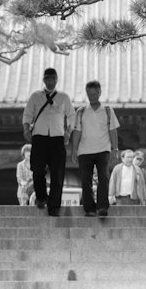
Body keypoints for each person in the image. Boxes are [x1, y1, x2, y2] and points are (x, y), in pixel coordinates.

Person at [22, 67, 73, 217]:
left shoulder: (64, 97)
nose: (50, 82)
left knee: (58, 174)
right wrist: (26, 130)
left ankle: (54, 205)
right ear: (44, 80)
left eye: (53, 79)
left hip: (57, 138)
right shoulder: (35, 96)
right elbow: (27, 115)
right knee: (37, 170)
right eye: (47, 79)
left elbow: (71, 116)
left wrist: (68, 132)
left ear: (56, 80)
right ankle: (41, 197)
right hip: (39, 137)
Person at [69, 80, 119, 219]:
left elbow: (113, 130)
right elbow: (77, 132)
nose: (92, 97)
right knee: (86, 180)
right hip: (85, 150)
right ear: (87, 94)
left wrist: (115, 149)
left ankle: (102, 207)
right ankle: (89, 209)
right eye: (89, 94)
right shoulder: (81, 111)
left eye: (94, 94)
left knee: (104, 177)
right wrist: (74, 150)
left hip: (103, 149)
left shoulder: (108, 110)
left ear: (99, 93)